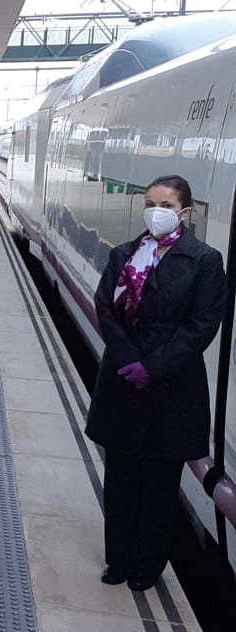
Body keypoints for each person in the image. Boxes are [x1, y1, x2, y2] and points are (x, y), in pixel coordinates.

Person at [85, 174, 225, 591]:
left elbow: (203, 325)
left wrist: (155, 367)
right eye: (150, 203)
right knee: (121, 478)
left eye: (164, 205)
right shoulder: (126, 254)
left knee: (160, 485)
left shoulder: (204, 260)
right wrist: (130, 360)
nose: (155, 212)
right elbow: (104, 306)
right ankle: (118, 560)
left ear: (186, 210)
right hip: (123, 380)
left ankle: (147, 567)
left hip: (172, 388)